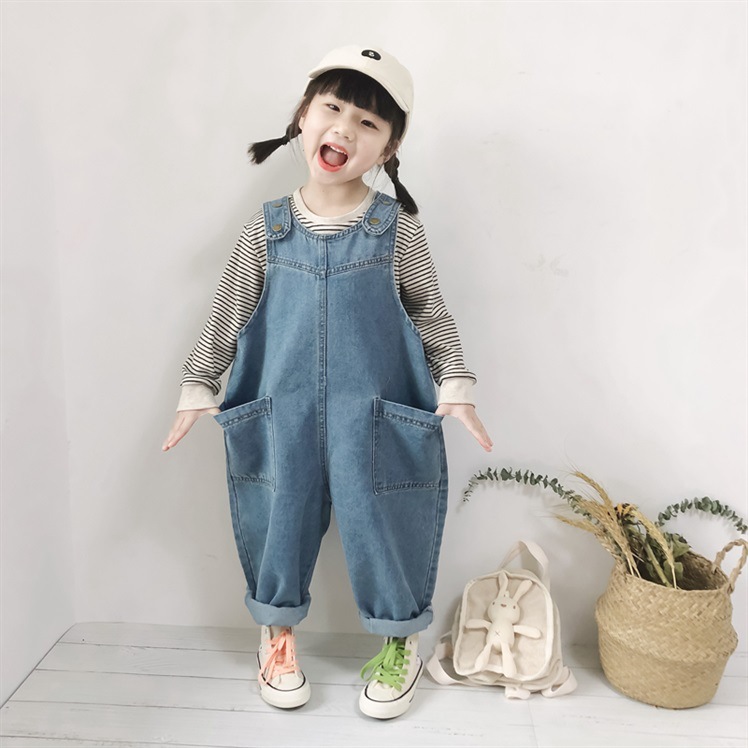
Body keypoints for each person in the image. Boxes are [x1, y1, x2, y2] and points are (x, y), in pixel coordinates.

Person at [162, 44, 492, 720]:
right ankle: (277, 636)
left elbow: (430, 310)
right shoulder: (267, 228)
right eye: (332, 108)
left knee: (384, 521)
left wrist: (455, 382)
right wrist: (198, 384)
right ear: (303, 116)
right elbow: (227, 312)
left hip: (375, 413)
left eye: (368, 122)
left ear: (389, 147)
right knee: (278, 516)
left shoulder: (395, 229)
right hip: (280, 410)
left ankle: (400, 640)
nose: (345, 128)